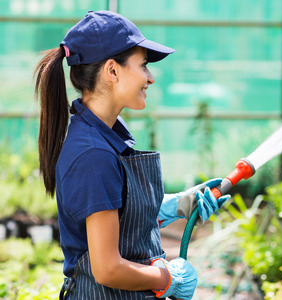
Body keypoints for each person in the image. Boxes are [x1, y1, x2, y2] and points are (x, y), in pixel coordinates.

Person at [34, 10, 230, 300]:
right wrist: (167, 278)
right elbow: (108, 270)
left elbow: (117, 207)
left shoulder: (105, 135)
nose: (150, 78)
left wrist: (173, 205)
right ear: (112, 71)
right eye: (144, 65)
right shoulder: (93, 154)